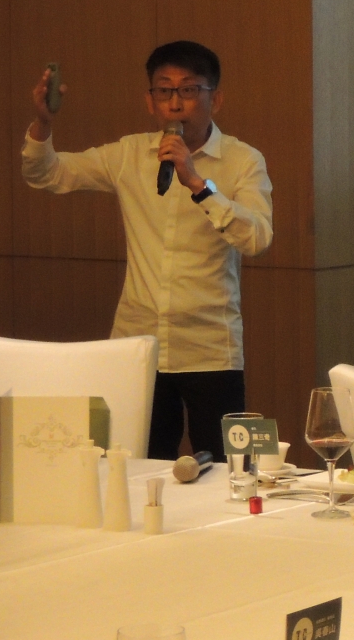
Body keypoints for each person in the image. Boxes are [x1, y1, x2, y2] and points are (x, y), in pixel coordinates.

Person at [21, 41, 274, 460]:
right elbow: (46, 174)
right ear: (149, 100)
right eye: (164, 90)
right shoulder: (129, 154)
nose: (175, 103)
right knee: (134, 466)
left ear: (215, 98)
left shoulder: (243, 161)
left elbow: (258, 238)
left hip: (211, 349)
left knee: (226, 470)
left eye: (188, 90)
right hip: (137, 347)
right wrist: (43, 124)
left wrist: (198, 183)